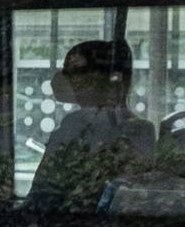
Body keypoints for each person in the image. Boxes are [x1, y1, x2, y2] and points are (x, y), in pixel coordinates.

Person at [25, 39, 157, 215]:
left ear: (105, 78)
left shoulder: (76, 123)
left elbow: (42, 192)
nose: (61, 78)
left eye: (76, 71)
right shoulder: (143, 129)